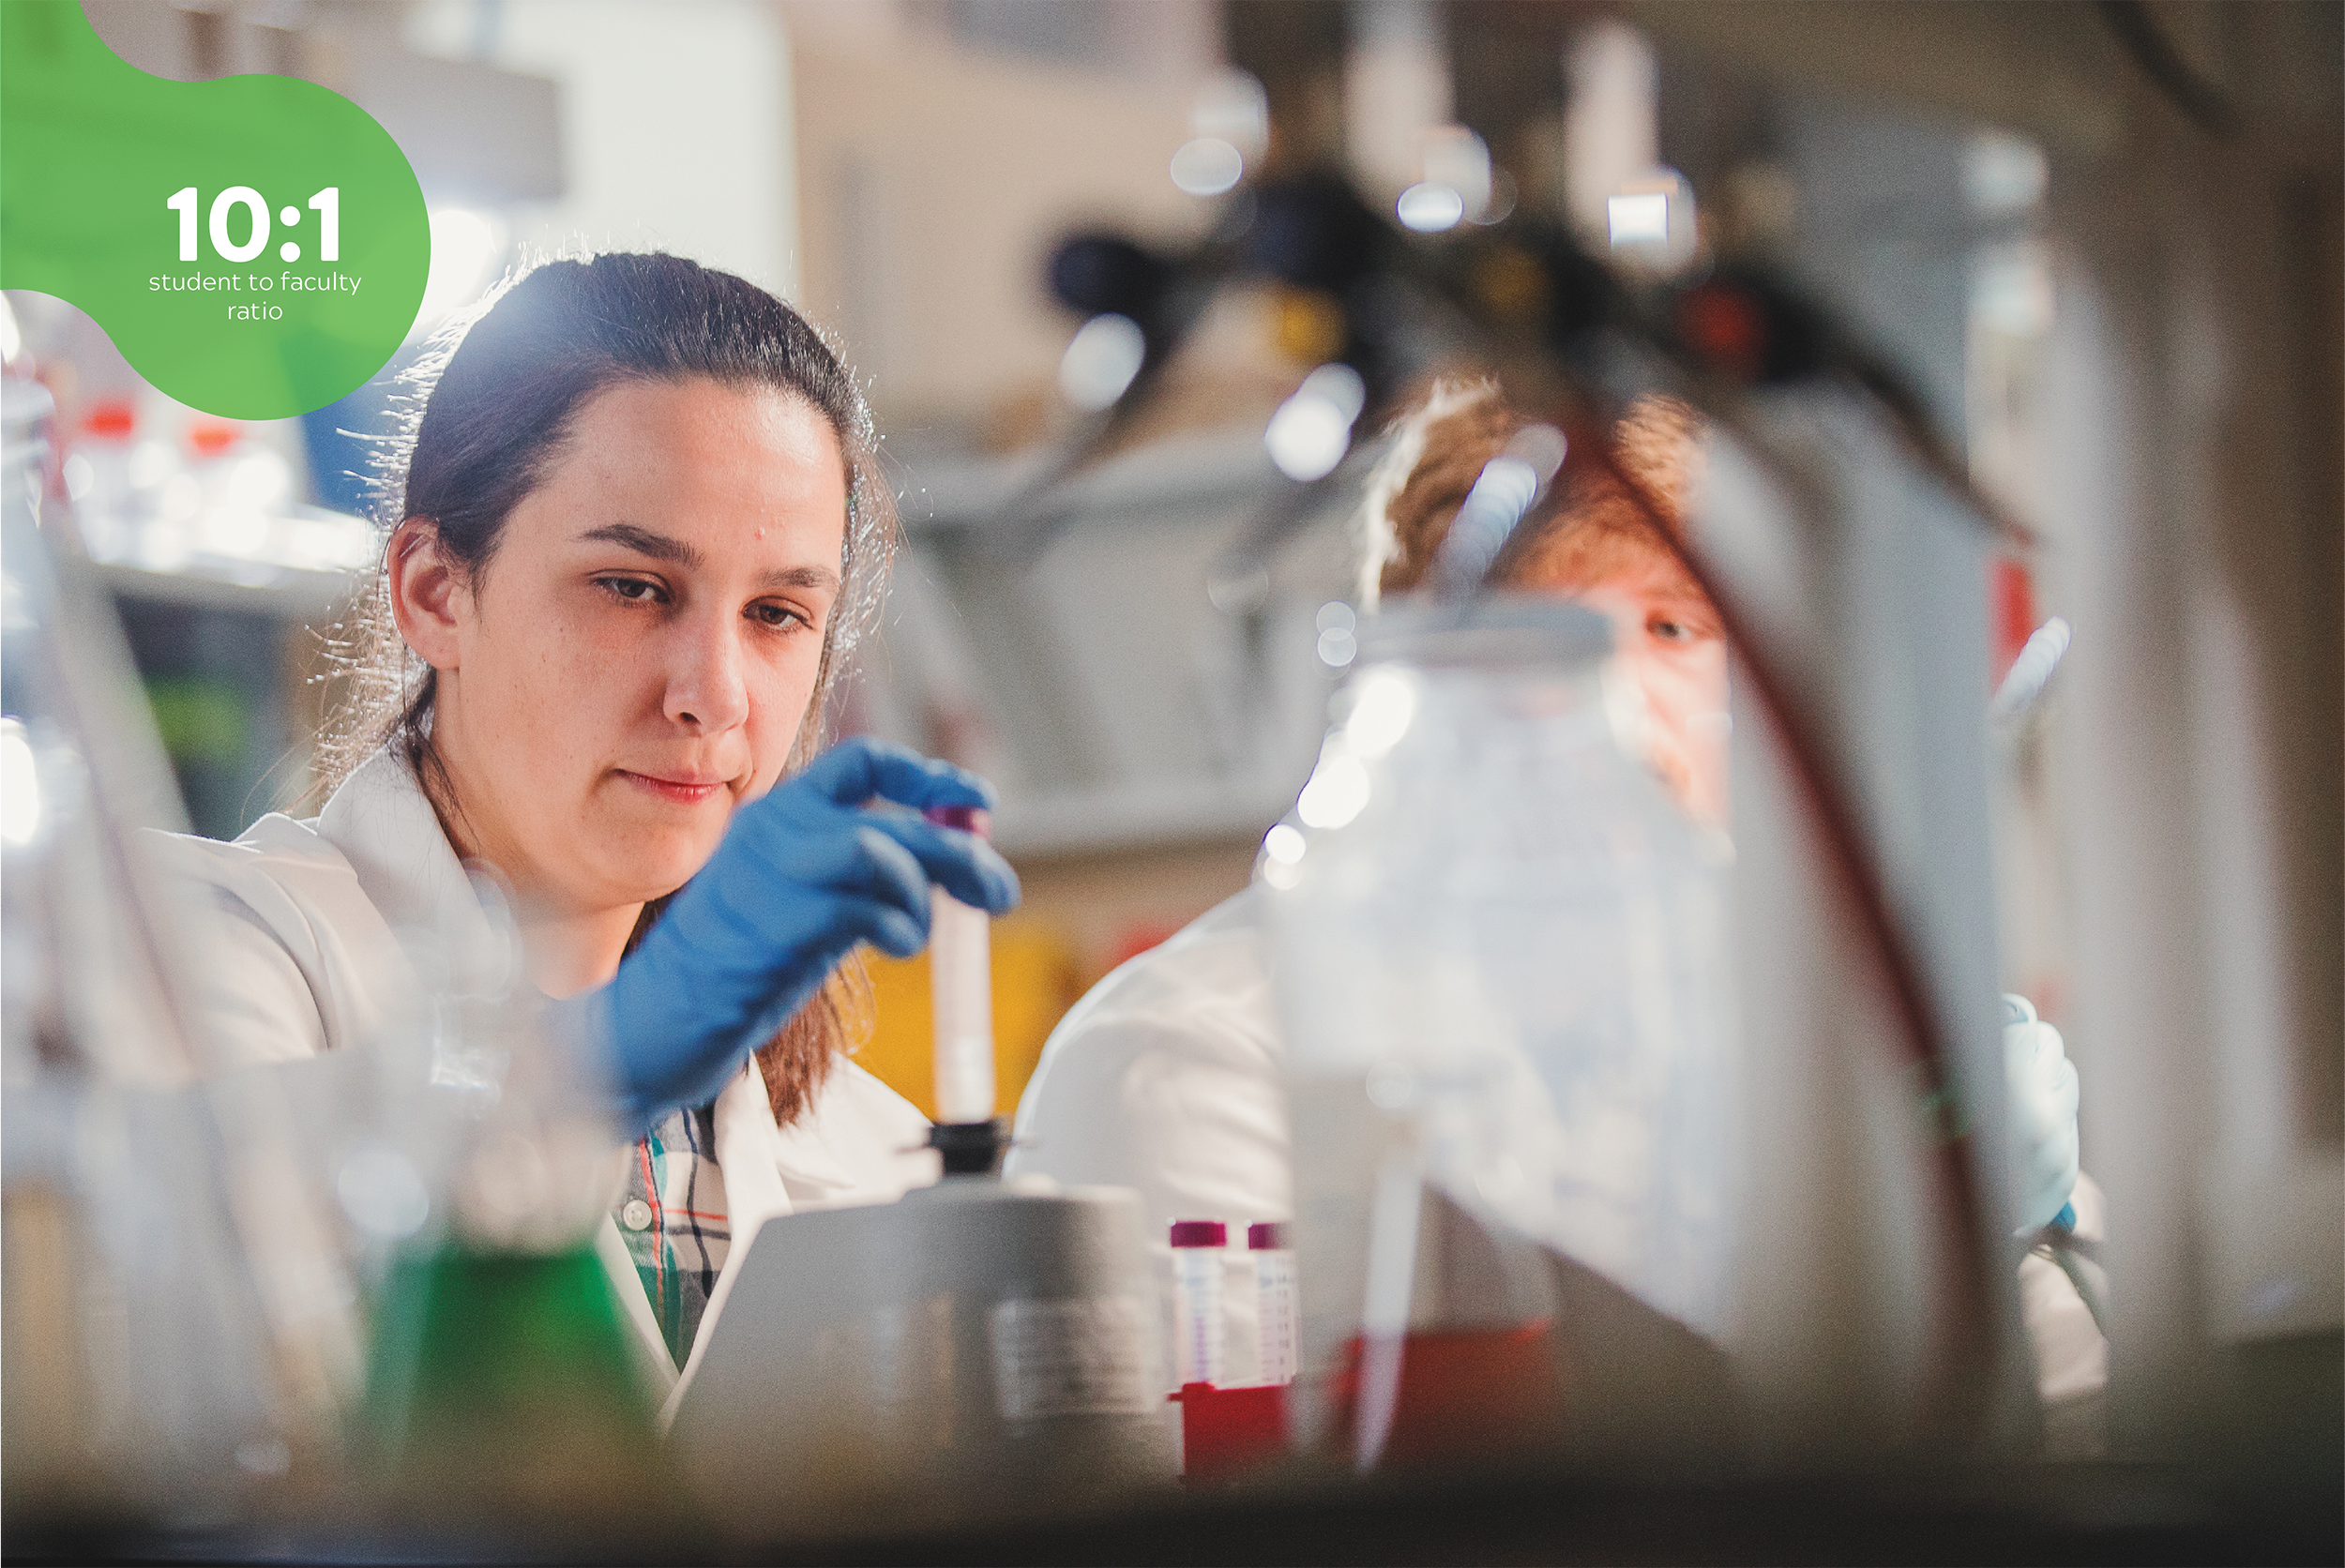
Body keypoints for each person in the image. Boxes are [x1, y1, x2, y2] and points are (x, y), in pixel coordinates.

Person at [1006, 380, 2102, 1436]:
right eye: (1546, 638)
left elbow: (2074, 1429)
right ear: (1418, 677)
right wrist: (1870, 1249)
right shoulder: (1194, 1059)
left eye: (1674, 628)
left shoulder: (1810, 1039)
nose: (1615, 708)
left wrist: (1964, 1207)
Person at [149, 253, 1018, 1383]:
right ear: (434, 591)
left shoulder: (865, 1153)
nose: (712, 692)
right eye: (634, 586)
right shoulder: (206, 945)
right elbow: (152, 1254)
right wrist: (592, 1069)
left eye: (777, 613)